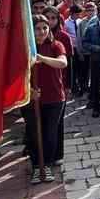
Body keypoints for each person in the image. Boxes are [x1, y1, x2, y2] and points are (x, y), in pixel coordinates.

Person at [26, 15, 68, 184]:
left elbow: (62, 63)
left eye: (45, 27)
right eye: (37, 28)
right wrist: (29, 91)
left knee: (50, 133)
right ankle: (36, 166)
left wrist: (41, 58)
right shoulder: (25, 48)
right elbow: (17, 75)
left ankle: (47, 165)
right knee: (34, 133)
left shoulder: (56, 45)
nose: (42, 31)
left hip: (55, 97)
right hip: (31, 98)